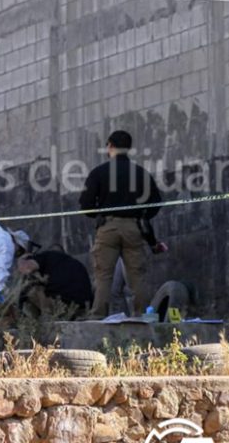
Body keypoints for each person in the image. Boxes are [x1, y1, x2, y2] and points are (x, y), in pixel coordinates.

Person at [79, 130, 163, 319]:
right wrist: (141, 216)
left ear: (109, 146)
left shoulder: (98, 173)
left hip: (107, 227)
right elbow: (156, 203)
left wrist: (100, 214)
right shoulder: (141, 173)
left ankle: (98, 317)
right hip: (133, 228)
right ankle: (141, 316)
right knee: (137, 276)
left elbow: (85, 204)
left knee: (103, 275)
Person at [16, 248, 94, 319]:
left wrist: (22, 259)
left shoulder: (44, 257)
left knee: (32, 290)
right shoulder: (72, 263)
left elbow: (26, 268)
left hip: (62, 306)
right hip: (84, 307)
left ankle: (40, 320)